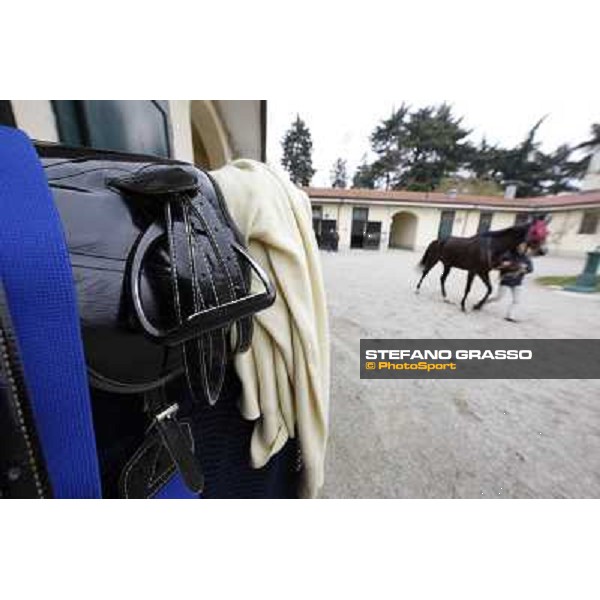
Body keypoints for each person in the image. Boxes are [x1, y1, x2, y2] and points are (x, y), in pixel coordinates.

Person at [489, 242, 533, 322]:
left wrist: (525, 269)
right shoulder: (508, 255)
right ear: (516, 247)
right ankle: (483, 302)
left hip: (517, 282)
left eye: (523, 247)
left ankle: (510, 316)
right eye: (520, 247)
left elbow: (530, 269)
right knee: (498, 298)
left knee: (517, 300)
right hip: (506, 280)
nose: (521, 248)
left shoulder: (526, 258)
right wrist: (504, 264)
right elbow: (499, 265)